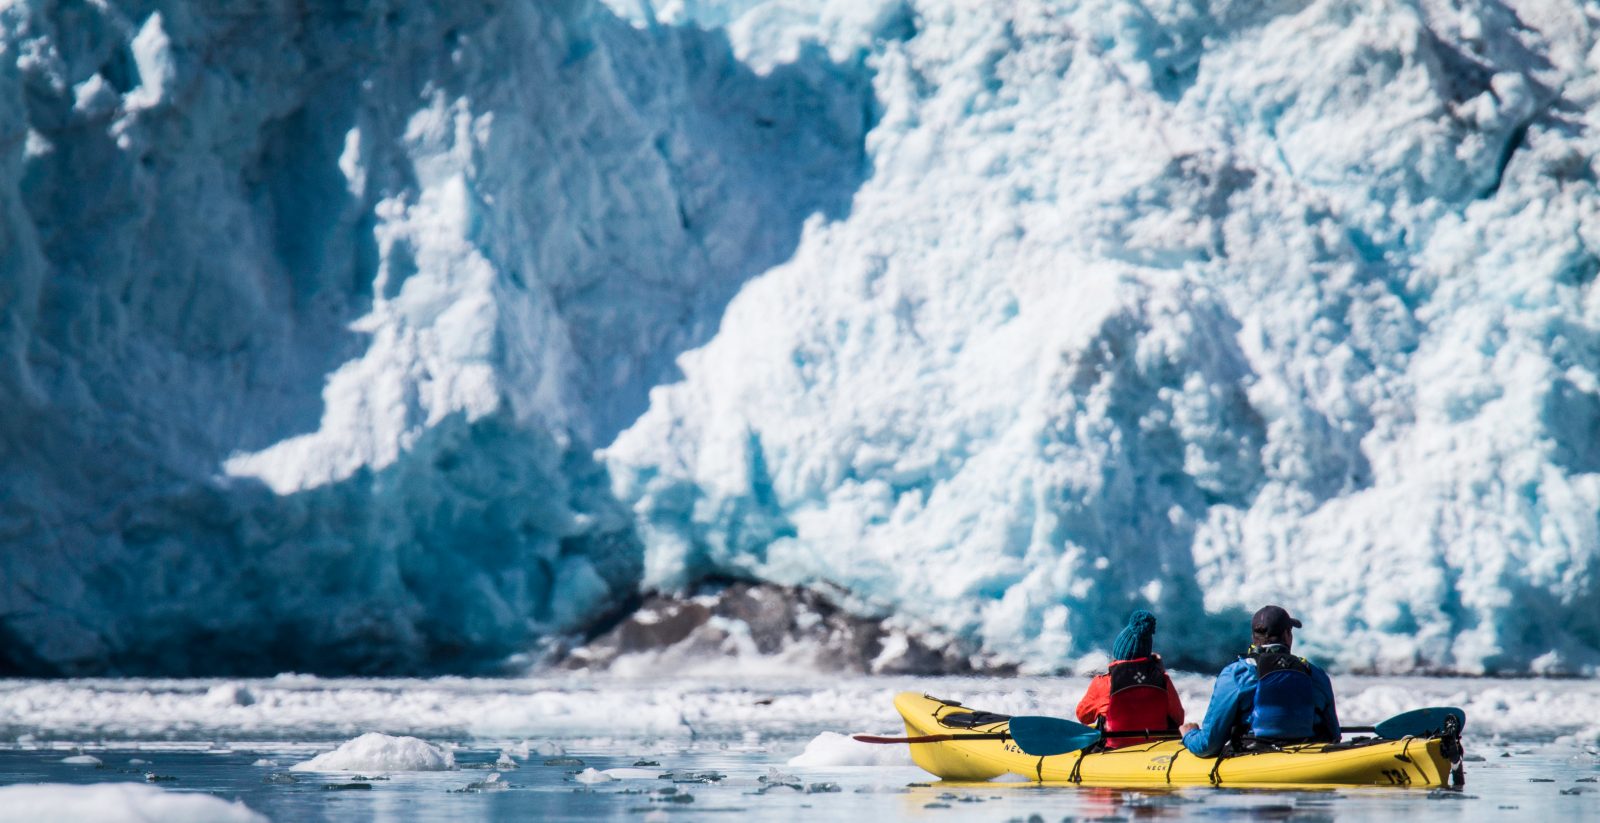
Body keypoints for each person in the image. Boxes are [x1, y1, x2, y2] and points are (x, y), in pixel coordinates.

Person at [1180, 605, 1340, 757]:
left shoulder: (1237, 674)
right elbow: (1334, 735)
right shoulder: (1315, 674)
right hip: (1309, 755)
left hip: (1253, 756)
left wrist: (1189, 734)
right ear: (1286, 635)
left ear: (1253, 637)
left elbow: (1208, 746)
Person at [1075, 610, 1185, 748]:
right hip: (1155, 749)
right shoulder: (1163, 680)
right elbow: (1178, 719)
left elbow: (1083, 716)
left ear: (1118, 653)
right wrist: (1159, 670)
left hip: (1114, 749)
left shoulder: (1103, 683)